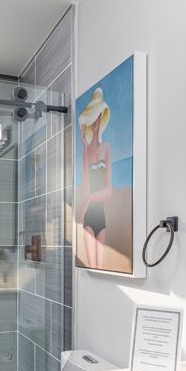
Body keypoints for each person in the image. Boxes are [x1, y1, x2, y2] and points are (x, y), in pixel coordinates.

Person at [77, 87, 112, 269]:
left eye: (97, 115)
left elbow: (109, 190)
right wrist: (84, 146)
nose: (94, 121)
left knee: (101, 268)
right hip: (89, 214)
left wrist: (90, 197)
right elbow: (86, 183)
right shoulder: (87, 150)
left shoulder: (106, 147)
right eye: (91, 117)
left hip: (101, 215)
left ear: (101, 117)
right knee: (92, 268)